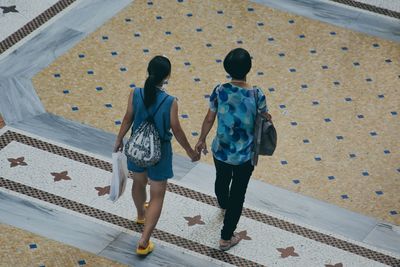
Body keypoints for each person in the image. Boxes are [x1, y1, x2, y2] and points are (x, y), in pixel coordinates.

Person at [114, 55, 200, 255]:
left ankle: (140, 214)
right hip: (160, 152)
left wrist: (119, 139)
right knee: (157, 195)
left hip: (137, 148)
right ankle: (144, 240)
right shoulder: (170, 101)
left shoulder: (135, 93)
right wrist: (190, 151)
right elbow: (177, 130)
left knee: (138, 183)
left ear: (148, 71)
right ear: (167, 76)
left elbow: (128, 118)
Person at [195, 48, 272, 251]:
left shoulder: (220, 90)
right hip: (244, 156)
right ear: (249, 68)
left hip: (221, 150)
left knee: (221, 178)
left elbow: (209, 117)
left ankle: (222, 203)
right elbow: (264, 118)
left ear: (227, 69)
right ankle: (226, 238)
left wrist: (201, 139)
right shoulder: (257, 95)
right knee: (238, 194)